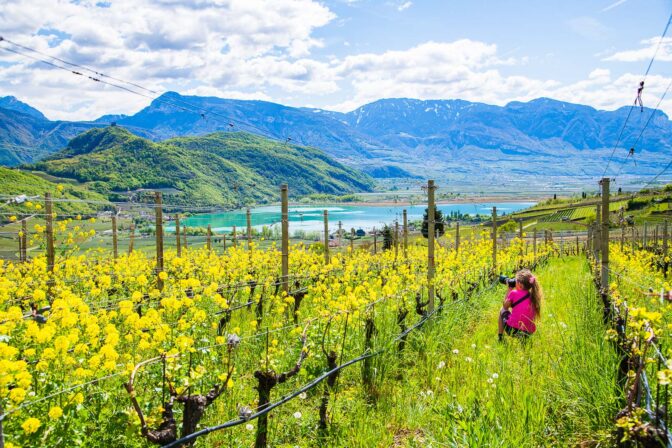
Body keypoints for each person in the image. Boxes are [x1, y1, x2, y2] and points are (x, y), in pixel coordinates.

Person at [498, 269, 542, 341]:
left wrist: (509, 289)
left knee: (502, 310)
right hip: (528, 332)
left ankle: (500, 337)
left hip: (512, 330)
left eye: (516, 281)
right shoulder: (534, 297)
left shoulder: (514, 293)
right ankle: (523, 340)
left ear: (520, 285)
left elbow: (505, 306)